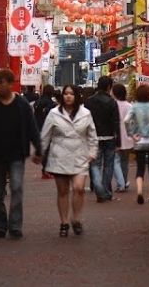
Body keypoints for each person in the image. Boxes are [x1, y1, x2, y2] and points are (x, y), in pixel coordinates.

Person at [0, 69, 42, 240]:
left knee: (17, 188)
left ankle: (14, 225)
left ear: (11, 84)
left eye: (2, 83)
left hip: (16, 155)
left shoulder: (22, 105)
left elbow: (32, 128)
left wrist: (38, 148)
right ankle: (0, 225)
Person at [40, 84, 98, 237]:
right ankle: (64, 222)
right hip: (59, 155)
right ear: (62, 96)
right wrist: (41, 152)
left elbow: (92, 134)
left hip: (80, 154)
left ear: (77, 96)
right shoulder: (53, 113)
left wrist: (92, 151)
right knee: (63, 191)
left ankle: (76, 219)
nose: (68, 96)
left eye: (71, 94)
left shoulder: (86, 113)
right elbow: (45, 134)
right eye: (66, 93)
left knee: (79, 188)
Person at [83, 75, 120, 202]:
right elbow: (116, 122)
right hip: (109, 137)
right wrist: (118, 139)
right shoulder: (112, 102)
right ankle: (106, 191)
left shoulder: (88, 102)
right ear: (109, 87)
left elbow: (85, 121)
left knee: (95, 165)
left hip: (93, 138)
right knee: (108, 165)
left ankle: (99, 190)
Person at [125, 84, 149, 205]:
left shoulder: (134, 107)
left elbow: (126, 120)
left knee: (140, 168)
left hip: (139, 140)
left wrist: (131, 134)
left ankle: (139, 192)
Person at [112, 83, 133, 192]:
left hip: (116, 136)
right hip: (128, 137)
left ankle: (121, 183)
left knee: (116, 161)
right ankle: (124, 181)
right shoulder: (129, 106)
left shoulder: (113, 104)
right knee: (125, 161)